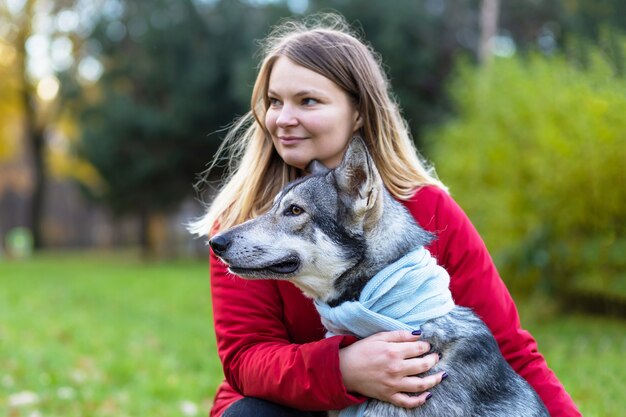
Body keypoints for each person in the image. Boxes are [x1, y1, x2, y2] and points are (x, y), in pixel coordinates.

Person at [190, 13, 581, 417]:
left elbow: (510, 348)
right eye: (274, 101)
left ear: (358, 112)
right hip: (290, 406)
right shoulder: (243, 222)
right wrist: (344, 368)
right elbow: (247, 358)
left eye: (307, 101)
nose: (283, 119)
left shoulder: (428, 208)